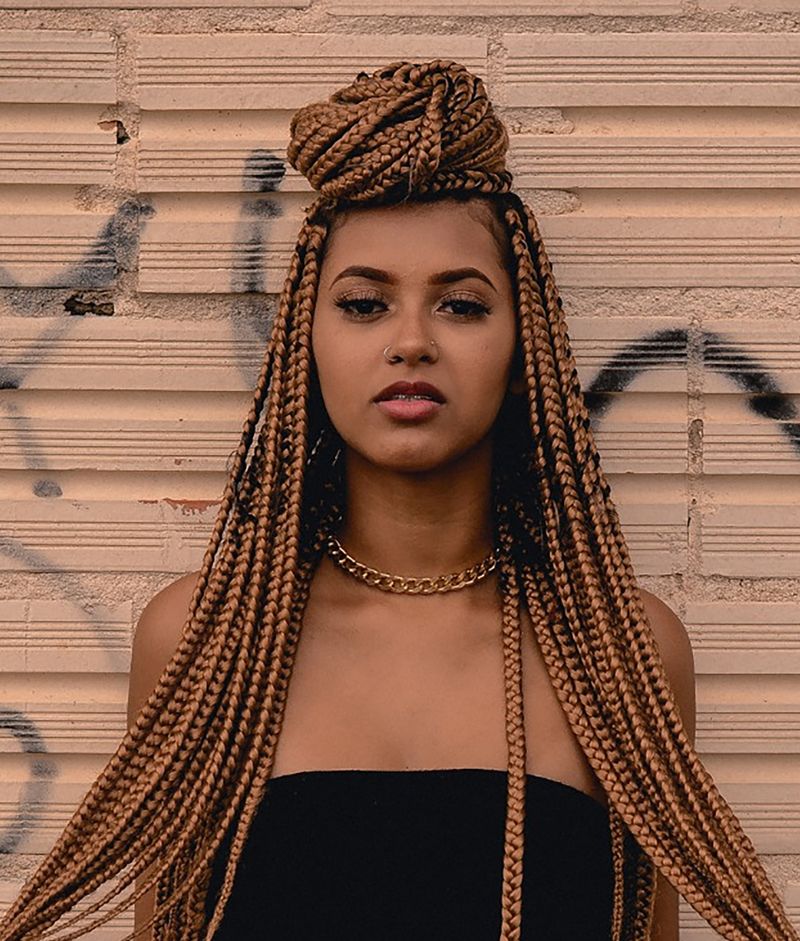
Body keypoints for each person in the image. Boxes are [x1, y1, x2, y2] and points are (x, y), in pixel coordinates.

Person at [0, 58, 796, 941]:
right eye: (365, 303)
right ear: (308, 338)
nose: (411, 341)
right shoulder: (206, 643)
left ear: (522, 342)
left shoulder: (622, 652)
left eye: (460, 305)